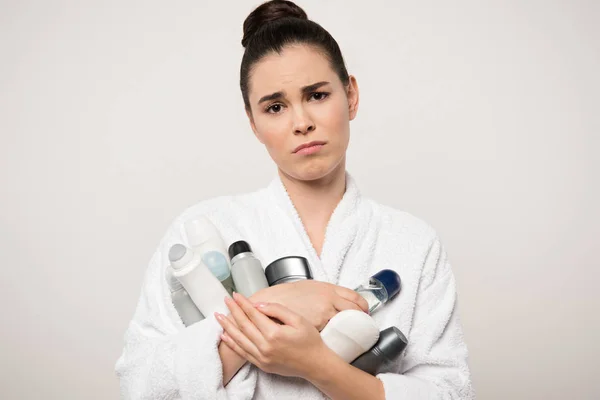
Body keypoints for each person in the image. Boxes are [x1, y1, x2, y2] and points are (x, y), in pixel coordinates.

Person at [115, 1, 474, 398]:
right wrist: (274, 304)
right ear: (253, 122)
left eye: (317, 95)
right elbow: (142, 386)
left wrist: (314, 364)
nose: (301, 122)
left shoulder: (413, 242)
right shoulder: (202, 229)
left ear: (350, 95)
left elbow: (450, 391)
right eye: (275, 107)